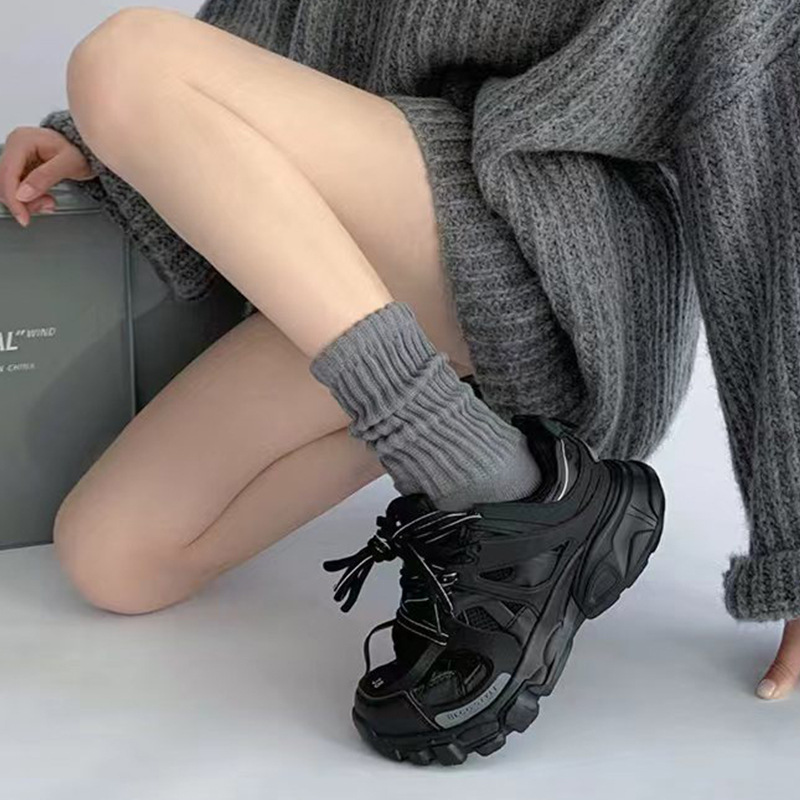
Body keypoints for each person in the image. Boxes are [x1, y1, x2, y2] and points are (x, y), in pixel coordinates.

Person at [1, 0, 799, 764]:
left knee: (125, 58)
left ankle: (475, 475)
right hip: (377, 273)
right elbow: (269, 28)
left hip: (561, 263)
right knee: (116, 556)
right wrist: (110, 145)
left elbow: (767, 168)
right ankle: (512, 478)